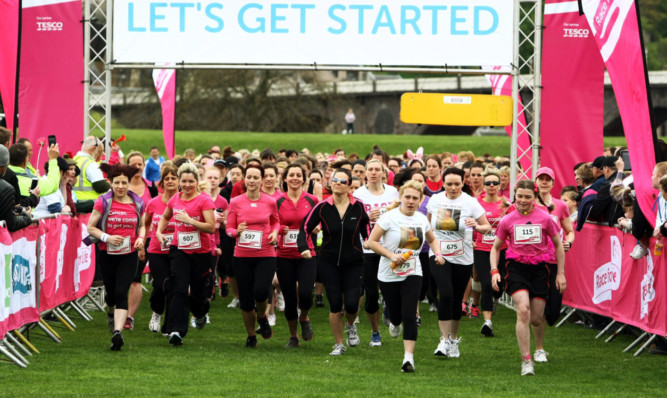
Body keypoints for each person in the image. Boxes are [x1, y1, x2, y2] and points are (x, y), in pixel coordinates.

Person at [367, 180, 444, 372]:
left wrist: (439, 253)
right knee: (396, 315)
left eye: (415, 198)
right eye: (407, 197)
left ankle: (408, 359)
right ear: (400, 197)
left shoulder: (421, 219)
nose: (410, 201)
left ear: (420, 200)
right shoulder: (388, 218)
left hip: (413, 270)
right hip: (389, 272)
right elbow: (371, 242)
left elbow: (432, 238)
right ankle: (393, 319)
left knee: (410, 314)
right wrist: (392, 255)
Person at [491, 180, 565, 376]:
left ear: (534, 197)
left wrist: (560, 273)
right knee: (523, 309)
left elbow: (558, 245)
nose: (523, 201)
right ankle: (526, 360)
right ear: (515, 196)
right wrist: (494, 271)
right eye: (519, 196)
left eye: (527, 197)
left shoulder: (545, 218)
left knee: (536, 318)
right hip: (516, 269)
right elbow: (495, 248)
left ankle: (539, 348)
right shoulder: (508, 220)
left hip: (540, 270)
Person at [298, 168, 370, 356]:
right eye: (335, 180)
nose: (338, 183)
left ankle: (350, 325)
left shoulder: (358, 206)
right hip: (328, 261)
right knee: (336, 303)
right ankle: (339, 344)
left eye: (342, 181)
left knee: (353, 304)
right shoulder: (322, 206)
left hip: (354, 261)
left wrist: (370, 244)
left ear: (349, 186)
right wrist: (303, 248)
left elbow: (366, 229)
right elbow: (305, 228)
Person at [427, 167, 490, 358]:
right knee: (445, 293)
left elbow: (486, 227)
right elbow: (428, 226)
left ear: (463, 183)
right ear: (443, 184)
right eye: (449, 184)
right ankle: (443, 340)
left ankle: (453, 340)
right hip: (439, 254)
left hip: (462, 257)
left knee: (455, 300)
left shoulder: (471, 202)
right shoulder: (436, 200)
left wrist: (476, 226)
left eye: (457, 184)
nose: (453, 188)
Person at [86, 163, 146, 351]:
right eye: (117, 183)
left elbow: (143, 225)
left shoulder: (137, 203)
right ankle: (110, 312)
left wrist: (141, 238)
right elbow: (91, 227)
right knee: (111, 293)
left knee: (122, 291)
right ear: (110, 183)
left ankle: (118, 333)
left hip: (129, 254)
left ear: (129, 184)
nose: (120, 186)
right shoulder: (103, 201)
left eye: (124, 183)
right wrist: (107, 237)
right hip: (107, 252)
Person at [155, 163, 216, 346]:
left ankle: (200, 312)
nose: (187, 185)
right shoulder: (175, 199)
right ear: (180, 182)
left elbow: (211, 227)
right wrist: (159, 232)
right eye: (184, 181)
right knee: (178, 289)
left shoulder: (204, 200)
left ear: (197, 182)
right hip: (179, 249)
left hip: (201, 252)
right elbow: (165, 217)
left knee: (197, 293)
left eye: (191, 181)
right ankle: (176, 331)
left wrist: (190, 221)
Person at [225, 164, 280, 348]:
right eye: (249, 177)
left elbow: (276, 223)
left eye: (256, 177)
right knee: (246, 300)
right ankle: (251, 336)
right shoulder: (236, 202)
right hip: (242, 256)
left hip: (265, 253)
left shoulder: (270, 202)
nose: (252, 181)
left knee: (260, 291)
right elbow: (229, 229)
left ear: (262, 180)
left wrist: (274, 233)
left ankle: (262, 316)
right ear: (244, 179)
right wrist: (236, 231)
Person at [353, 159, 399, 347]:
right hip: (369, 248)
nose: (373, 173)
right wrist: (366, 217)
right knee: (371, 294)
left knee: (393, 289)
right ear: (365, 173)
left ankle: (390, 309)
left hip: (391, 247)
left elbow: (401, 214)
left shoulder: (392, 192)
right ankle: (375, 332)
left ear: (383, 172)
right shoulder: (358, 194)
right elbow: (353, 221)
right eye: (370, 170)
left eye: (377, 169)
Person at [275, 164, 319, 348]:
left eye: (298, 175)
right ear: (285, 179)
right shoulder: (277, 201)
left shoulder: (312, 200)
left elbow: (321, 221)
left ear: (303, 179)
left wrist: (318, 227)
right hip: (284, 255)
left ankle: (304, 317)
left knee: (306, 294)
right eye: (291, 175)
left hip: (307, 254)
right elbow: (270, 224)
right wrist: (278, 229)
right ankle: (293, 336)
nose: (294, 178)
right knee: (290, 299)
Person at [473, 167, 510, 337]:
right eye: (488, 183)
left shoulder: (506, 203)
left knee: (499, 283)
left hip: (503, 249)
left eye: (495, 182)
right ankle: (487, 322)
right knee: (487, 283)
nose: (492, 185)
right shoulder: (476, 203)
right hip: (482, 249)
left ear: (499, 185)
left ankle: (496, 298)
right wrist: (472, 239)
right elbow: (470, 223)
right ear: (484, 184)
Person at [124, 151, 159, 330]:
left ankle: (129, 316)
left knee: (135, 278)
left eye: (140, 164)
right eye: (133, 164)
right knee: (121, 278)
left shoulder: (152, 188)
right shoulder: (121, 186)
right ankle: (117, 311)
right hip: (121, 237)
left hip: (145, 238)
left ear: (144, 166)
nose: (137, 168)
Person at [143, 165, 179, 333]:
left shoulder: (183, 202)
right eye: (167, 178)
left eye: (173, 178)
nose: (170, 181)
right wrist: (142, 244)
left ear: (179, 181)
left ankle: (169, 324)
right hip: (157, 250)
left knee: (174, 286)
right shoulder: (153, 203)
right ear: (162, 182)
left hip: (178, 250)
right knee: (160, 285)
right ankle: (157, 312)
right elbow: (146, 224)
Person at [73, 136, 110, 211]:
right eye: (100, 151)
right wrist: (109, 184)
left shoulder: (74, 160)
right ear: (94, 148)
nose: (100, 155)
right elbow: (100, 187)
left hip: (75, 204)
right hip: (90, 207)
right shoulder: (91, 164)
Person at [0, 145, 32, 231]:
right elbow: (12, 223)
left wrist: (10, 208)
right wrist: (26, 216)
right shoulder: (6, 189)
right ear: (2, 167)